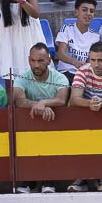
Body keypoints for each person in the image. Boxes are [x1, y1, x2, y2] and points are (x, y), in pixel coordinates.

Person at [67, 41, 102, 193]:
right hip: (85, 115)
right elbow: (74, 99)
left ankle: (101, 177)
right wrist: (90, 104)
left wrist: (101, 102)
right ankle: (83, 177)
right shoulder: (83, 71)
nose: (96, 64)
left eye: (100, 60)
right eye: (92, 60)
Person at [12, 43, 68, 194]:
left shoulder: (60, 77)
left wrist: (43, 103)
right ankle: (29, 182)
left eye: (40, 61)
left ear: (49, 60)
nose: (36, 65)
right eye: (33, 60)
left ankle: (48, 181)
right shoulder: (22, 78)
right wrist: (39, 106)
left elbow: (62, 100)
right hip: (29, 127)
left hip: (55, 126)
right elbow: (18, 101)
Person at [0, 0, 43, 80]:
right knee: (9, 76)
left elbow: (35, 14)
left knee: (33, 76)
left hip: (29, 36)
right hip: (9, 38)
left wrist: (20, 0)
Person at [55, 0, 98, 80]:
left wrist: (86, 67)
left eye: (92, 11)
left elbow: (91, 60)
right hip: (65, 72)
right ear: (76, 12)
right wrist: (75, 62)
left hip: (83, 74)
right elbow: (60, 54)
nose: (88, 13)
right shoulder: (66, 28)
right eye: (84, 10)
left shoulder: (95, 36)